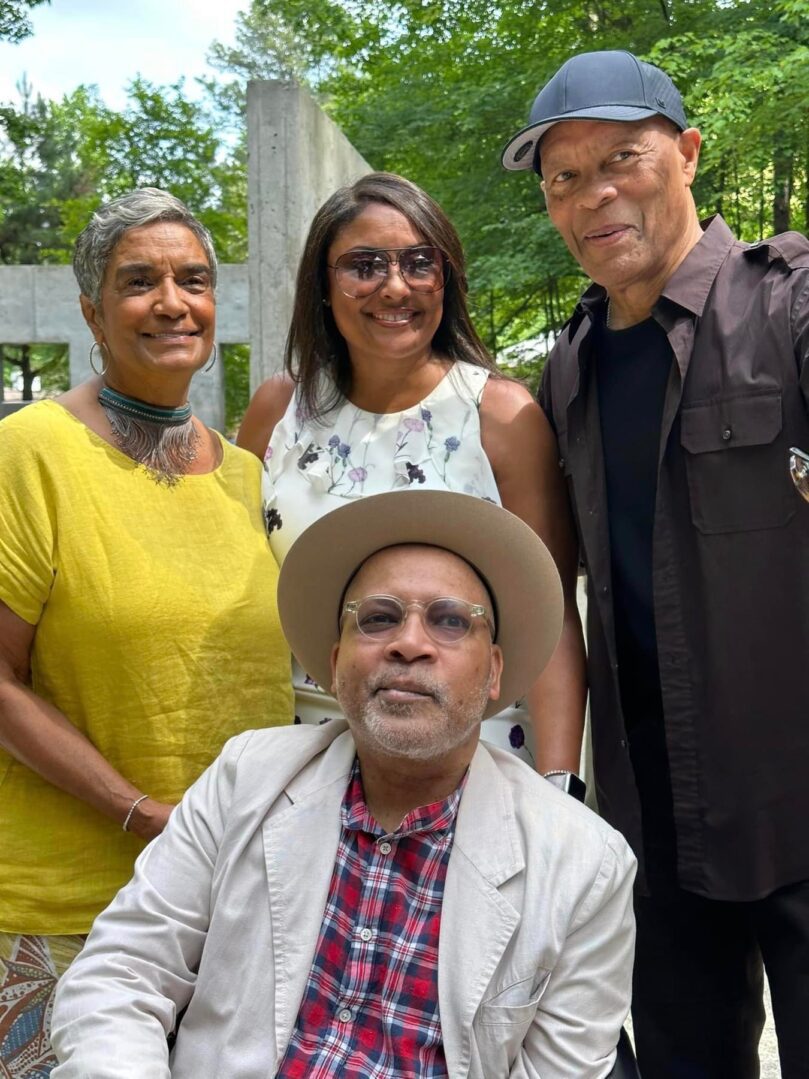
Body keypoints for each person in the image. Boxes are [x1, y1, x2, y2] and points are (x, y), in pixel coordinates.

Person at [50, 489, 636, 1078]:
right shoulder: (245, 777)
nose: (409, 643)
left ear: (494, 673)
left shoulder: (586, 866)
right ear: (334, 663)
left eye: (451, 621)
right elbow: (121, 973)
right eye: (378, 618)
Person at [502, 48, 809, 1078]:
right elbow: (549, 581)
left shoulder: (788, 304)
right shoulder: (570, 364)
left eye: (619, 159)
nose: (592, 195)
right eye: (563, 177)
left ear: (683, 154)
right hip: (652, 821)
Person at [0, 188, 293, 1075]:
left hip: (229, 908)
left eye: (193, 279)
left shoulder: (245, 474)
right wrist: (145, 815)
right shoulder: (32, 452)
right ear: (92, 310)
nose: (172, 301)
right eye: (138, 281)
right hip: (71, 909)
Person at [237, 171, 586, 781]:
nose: (394, 287)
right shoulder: (277, 411)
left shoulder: (503, 417)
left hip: (475, 757)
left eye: (419, 263)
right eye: (364, 264)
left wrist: (559, 787)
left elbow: (550, 612)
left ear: (445, 279)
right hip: (300, 757)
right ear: (322, 285)